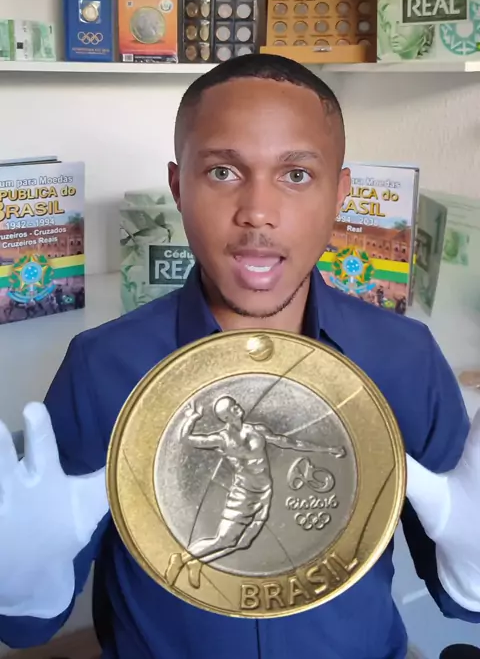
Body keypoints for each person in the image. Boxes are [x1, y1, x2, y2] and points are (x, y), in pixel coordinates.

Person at [0, 53, 479, 659]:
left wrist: (474, 562)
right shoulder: (102, 366)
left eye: (296, 174)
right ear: (179, 187)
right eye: (223, 171)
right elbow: (30, 629)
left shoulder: (407, 358)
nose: (257, 211)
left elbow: (460, 602)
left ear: (340, 194)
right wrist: (22, 582)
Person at [165, 395, 346, 587]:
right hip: (243, 493)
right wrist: (192, 418)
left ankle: (197, 562)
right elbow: (186, 439)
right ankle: (181, 558)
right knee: (224, 540)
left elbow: (290, 443)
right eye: (232, 407)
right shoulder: (222, 439)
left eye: (236, 403)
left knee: (244, 543)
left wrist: (328, 450)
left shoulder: (257, 430)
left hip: (264, 492)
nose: (237, 407)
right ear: (226, 418)